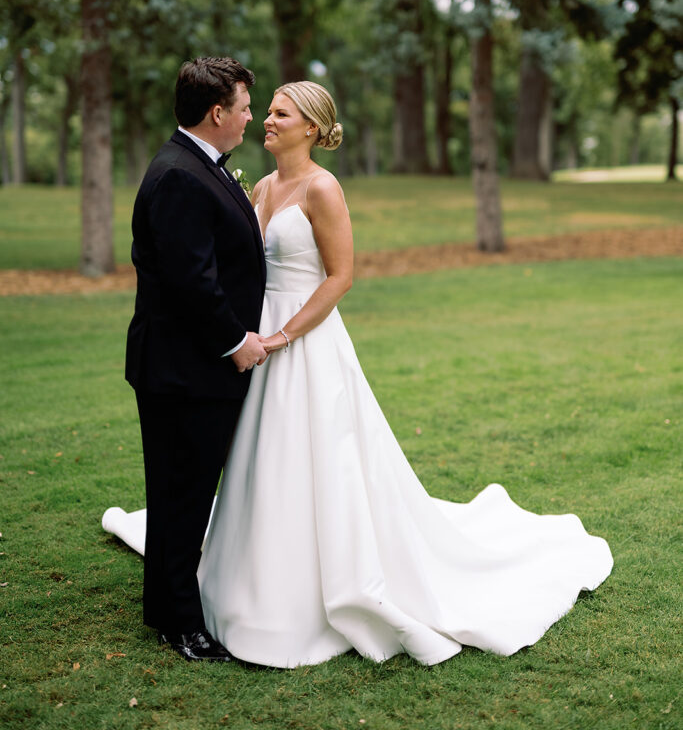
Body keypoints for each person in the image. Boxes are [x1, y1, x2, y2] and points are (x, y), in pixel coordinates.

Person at [106, 80, 613, 667]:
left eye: (278, 113)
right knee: (258, 461)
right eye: (261, 110)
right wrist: (242, 334)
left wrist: (283, 335)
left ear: (312, 129)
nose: (265, 120)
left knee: (317, 458)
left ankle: (314, 586)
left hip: (298, 340)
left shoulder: (323, 189)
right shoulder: (260, 185)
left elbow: (340, 277)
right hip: (248, 344)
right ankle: (248, 576)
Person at [120, 56, 267, 663]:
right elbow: (192, 283)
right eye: (245, 107)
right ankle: (181, 623)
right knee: (182, 493)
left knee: (183, 489)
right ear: (217, 113)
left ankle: (168, 602)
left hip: (187, 365)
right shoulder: (181, 175)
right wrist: (238, 345)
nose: (250, 118)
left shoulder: (199, 165)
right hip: (186, 370)